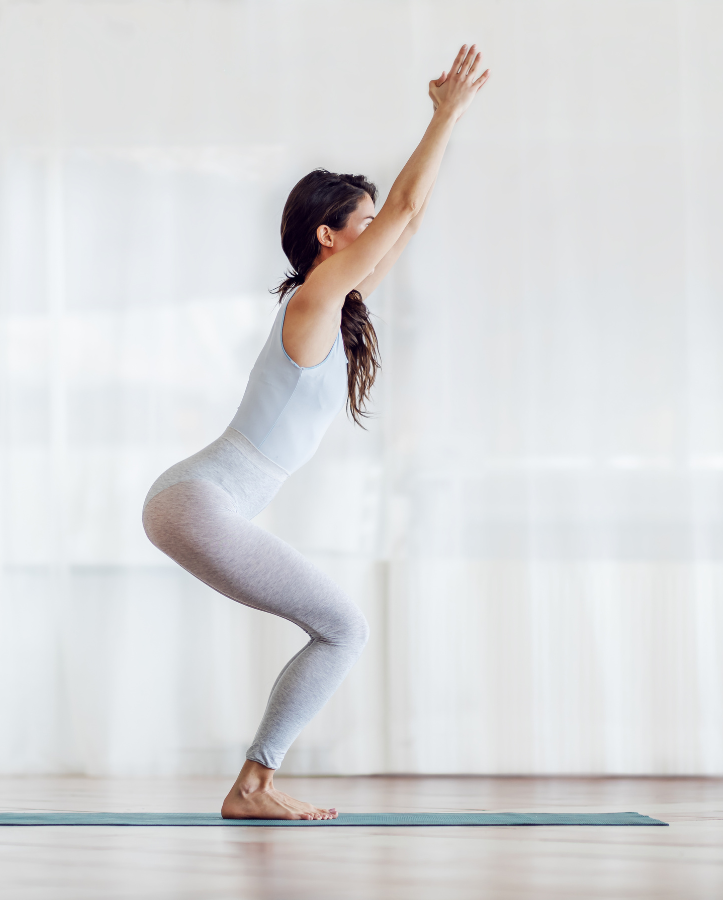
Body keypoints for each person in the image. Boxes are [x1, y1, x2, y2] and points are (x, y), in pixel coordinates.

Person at [142, 45, 489, 820]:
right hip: (198, 500)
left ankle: (255, 783)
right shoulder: (311, 301)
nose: (378, 233)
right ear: (328, 238)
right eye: (361, 224)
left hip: (200, 498)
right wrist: (443, 114)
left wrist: (450, 126)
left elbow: (409, 217)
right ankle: (252, 786)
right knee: (343, 629)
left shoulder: (338, 307)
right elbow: (401, 209)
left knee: (338, 628)